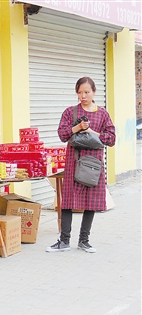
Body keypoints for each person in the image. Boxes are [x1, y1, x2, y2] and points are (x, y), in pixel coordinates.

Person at [46, 76, 116, 253]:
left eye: (87, 92)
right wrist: (77, 128)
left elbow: (111, 138)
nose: (83, 96)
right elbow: (62, 134)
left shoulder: (103, 114)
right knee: (68, 201)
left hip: (93, 164)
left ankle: (84, 241)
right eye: (79, 92)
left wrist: (92, 132)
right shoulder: (71, 112)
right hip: (73, 162)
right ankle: (64, 241)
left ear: (94, 92)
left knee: (90, 202)